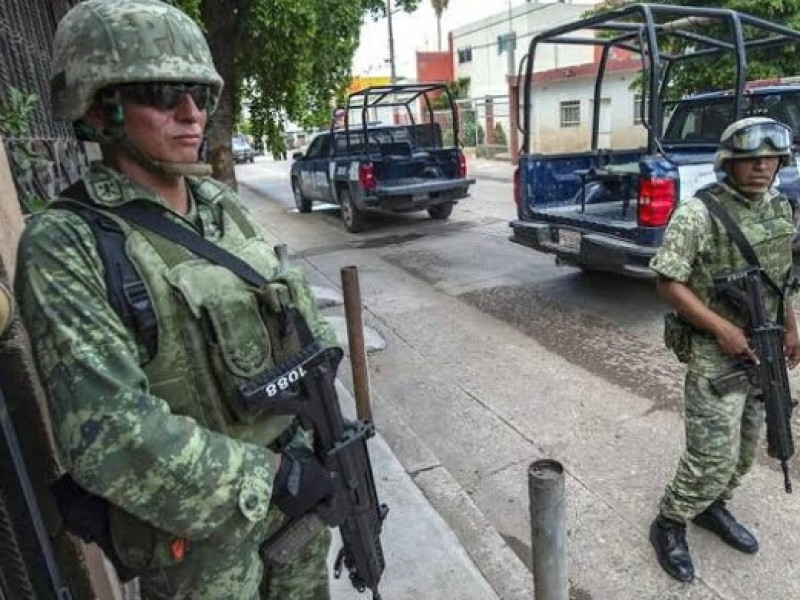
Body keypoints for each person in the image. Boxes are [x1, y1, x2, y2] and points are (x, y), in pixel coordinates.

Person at [14, 1, 336, 598]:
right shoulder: (66, 243)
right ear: (100, 106)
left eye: (199, 94)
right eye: (163, 93)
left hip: (299, 510)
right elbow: (111, 437)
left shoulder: (220, 208)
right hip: (202, 553)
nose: (191, 114)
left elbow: (298, 322)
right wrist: (274, 479)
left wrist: (325, 432)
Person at [649, 116, 800, 582]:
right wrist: (720, 328)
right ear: (729, 163)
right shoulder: (697, 215)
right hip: (717, 352)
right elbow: (667, 281)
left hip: (766, 345)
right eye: (750, 159)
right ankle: (670, 522)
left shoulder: (780, 207)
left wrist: (793, 324)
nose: (761, 168)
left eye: (770, 159)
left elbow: (782, 278)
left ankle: (712, 507)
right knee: (712, 453)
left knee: (747, 446)